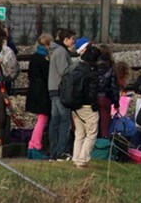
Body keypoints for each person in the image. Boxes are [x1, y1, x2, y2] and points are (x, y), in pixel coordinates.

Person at [70, 43, 103, 169]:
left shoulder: (76, 68)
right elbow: (93, 93)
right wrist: (95, 106)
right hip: (87, 107)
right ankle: (83, 160)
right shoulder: (91, 73)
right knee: (91, 133)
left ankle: (76, 157)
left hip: (75, 106)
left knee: (79, 133)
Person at [47, 28, 76, 159]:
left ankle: (54, 151)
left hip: (54, 89)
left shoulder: (55, 51)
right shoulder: (61, 52)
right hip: (60, 91)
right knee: (64, 121)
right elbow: (64, 71)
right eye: (72, 39)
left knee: (55, 121)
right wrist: (77, 64)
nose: (73, 42)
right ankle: (61, 151)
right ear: (66, 40)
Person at [25, 33, 53, 159]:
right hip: (42, 93)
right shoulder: (45, 59)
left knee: (40, 119)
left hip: (34, 91)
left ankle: (32, 146)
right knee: (42, 119)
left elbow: (30, 74)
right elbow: (48, 76)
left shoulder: (34, 56)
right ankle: (35, 145)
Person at [95, 44, 116, 138]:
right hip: (105, 96)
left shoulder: (93, 64)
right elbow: (113, 85)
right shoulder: (110, 66)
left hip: (93, 97)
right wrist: (116, 101)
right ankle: (103, 145)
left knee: (94, 125)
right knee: (105, 125)